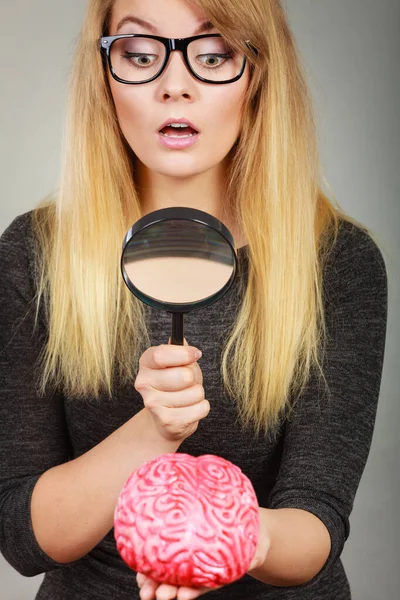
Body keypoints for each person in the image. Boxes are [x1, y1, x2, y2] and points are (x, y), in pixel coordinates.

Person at [0, 0, 388, 599]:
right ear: (103, 75)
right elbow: (23, 537)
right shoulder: (35, 252)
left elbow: (318, 518)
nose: (175, 86)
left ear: (256, 74)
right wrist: (155, 430)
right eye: (139, 54)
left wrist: (238, 538)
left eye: (212, 55)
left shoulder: (337, 259)